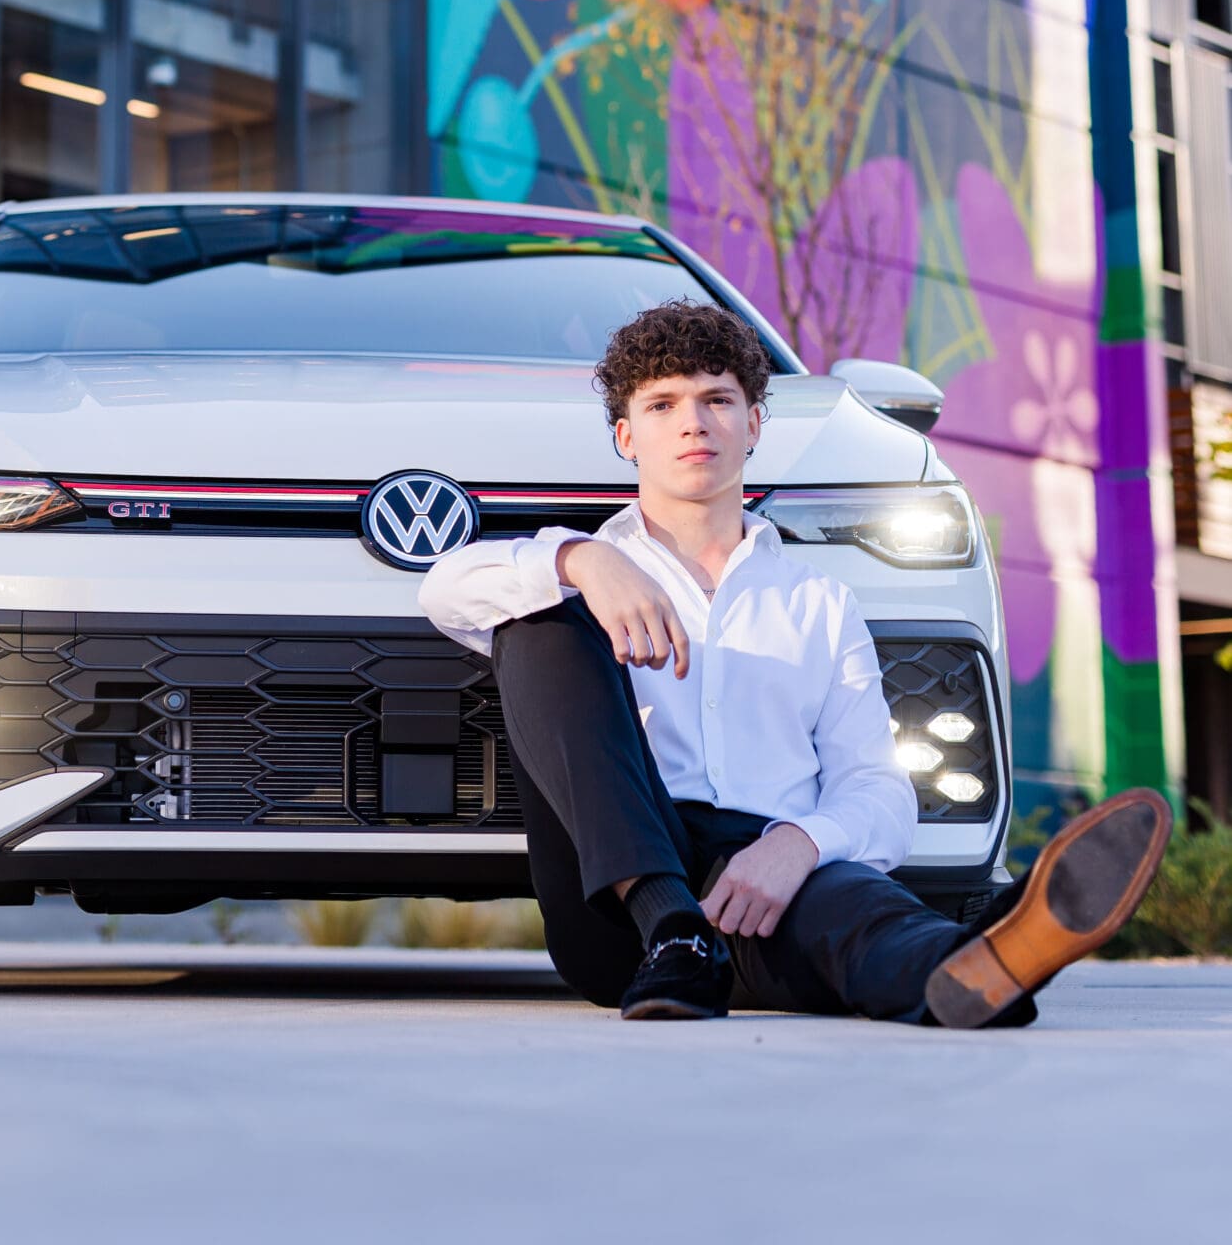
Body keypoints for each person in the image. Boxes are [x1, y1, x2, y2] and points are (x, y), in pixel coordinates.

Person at [418, 299, 1171, 1024]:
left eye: (715, 400)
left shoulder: (817, 600)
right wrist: (580, 559)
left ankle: (978, 962)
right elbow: (444, 591)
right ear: (625, 438)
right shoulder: (586, 572)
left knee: (859, 917)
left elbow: (879, 792)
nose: (692, 422)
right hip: (621, 913)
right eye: (661, 405)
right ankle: (672, 927)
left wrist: (798, 844)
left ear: (752, 424)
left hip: (762, 887)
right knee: (537, 626)